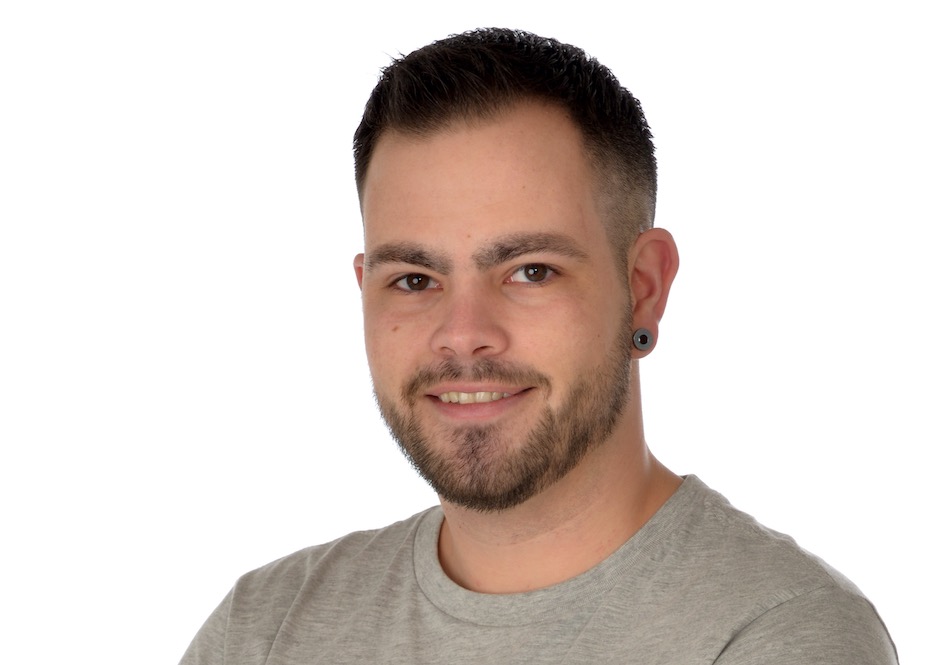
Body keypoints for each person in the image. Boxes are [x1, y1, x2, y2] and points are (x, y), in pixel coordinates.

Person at [181, 28, 898, 664]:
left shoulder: (778, 635)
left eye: (530, 271)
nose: (463, 333)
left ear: (643, 288)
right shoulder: (262, 630)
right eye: (414, 279)